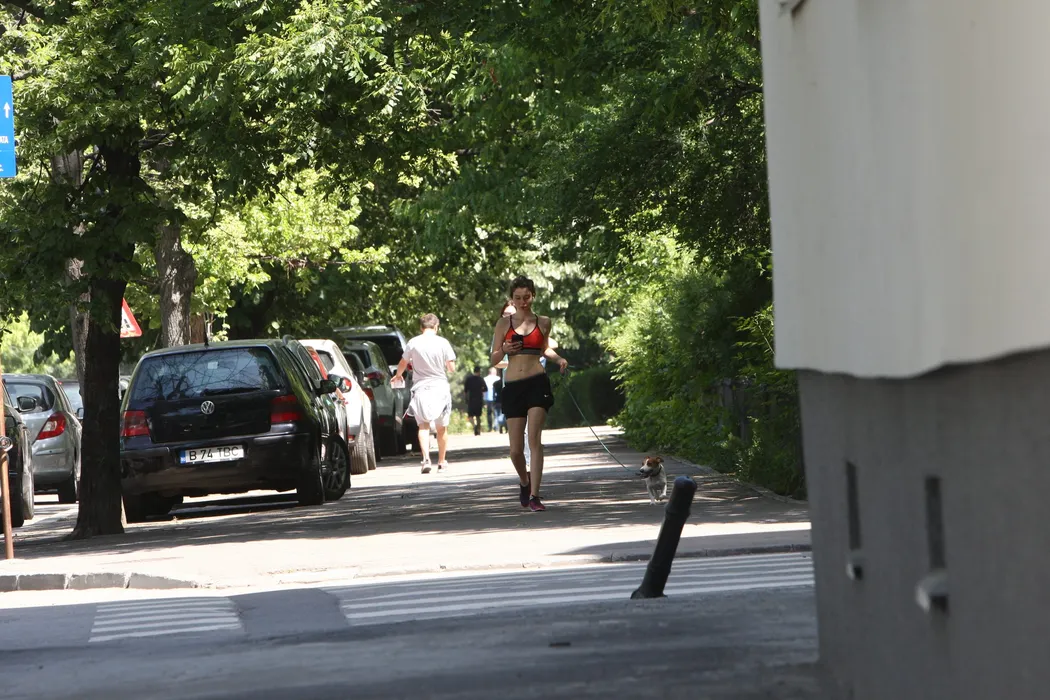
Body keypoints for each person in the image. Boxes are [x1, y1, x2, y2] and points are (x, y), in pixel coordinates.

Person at [490, 277, 568, 511]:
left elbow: (544, 349)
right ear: (512, 299)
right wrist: (504, 349)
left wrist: (559, 359)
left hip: (537, 383)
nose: (522, 302)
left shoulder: (543, 322)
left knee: (534, 440)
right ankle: (524, 482)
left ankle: (535, 495)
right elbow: (493, 358)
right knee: (515, 450)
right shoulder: (503, 324)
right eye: (518, 298)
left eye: (526, 297)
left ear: (533, 296)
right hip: (513, 386)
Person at [393, 313, 457, 473]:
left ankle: (426, 459)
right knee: (442, 427)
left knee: (423, 426)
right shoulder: (443, 342)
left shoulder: (413, 342)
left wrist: (398, 375)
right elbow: (451, 368)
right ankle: (441, 461)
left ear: (421, 327)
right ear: (436, 326)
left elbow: (403, 362)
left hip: (421, 388)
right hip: (440, 388)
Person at [463, 366, 487, 436]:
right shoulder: (481, 379)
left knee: (470, 415)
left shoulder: (469, 379)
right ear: (479, 371)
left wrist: (466, 398)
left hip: (471, 399)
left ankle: (474, 426)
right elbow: (486, 389)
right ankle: (478, 430)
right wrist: (480, 390)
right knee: (478, 416)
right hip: (479, 399)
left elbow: (465, 390)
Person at [483, 367, 500, 431]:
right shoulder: (498, 378)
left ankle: (490, 427)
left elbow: (484, 390)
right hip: (496, 398)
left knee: (489, 413)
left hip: (488, 398)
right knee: (496, 413)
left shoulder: (485, 379)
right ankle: (496, 426)